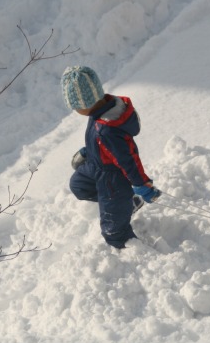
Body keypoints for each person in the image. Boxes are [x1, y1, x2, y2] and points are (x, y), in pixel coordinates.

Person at [62, 65, 161, 249]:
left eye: (75, 106)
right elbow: (102, 143)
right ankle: (129, 203)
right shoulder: (101, 109)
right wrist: (88, 151)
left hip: (113, 179)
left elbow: (128, 159)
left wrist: (141, 183)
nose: (74, 110)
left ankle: (133, 252)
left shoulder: (107, 129)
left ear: (85, 103)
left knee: (113, 229)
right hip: (96, 165)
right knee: (79, 186)